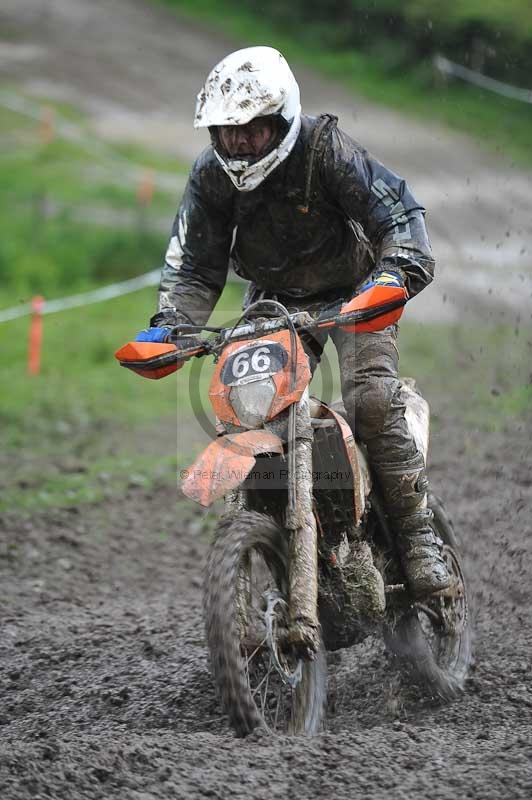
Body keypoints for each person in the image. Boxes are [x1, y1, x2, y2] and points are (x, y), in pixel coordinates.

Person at [136, 46, 450, 596]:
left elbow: (397, 212)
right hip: (276, 303)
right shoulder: (212, 176)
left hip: (357, 293)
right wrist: (170, 326)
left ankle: (421, 543)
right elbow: (194, 267)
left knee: (371, 399)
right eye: (225, 129)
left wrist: (395, 271)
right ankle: (291, 547)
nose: (236, 142)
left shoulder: (323, 148)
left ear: (281, 119)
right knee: (251, 410)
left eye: (251, 128)